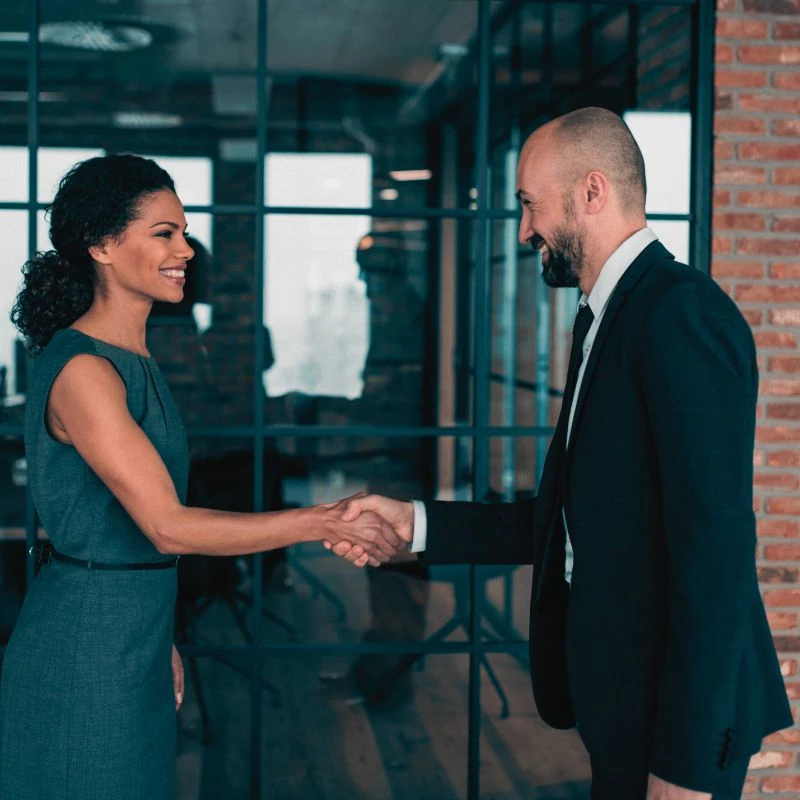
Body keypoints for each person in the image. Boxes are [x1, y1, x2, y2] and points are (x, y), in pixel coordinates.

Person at [330, 107, 793, 800]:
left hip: (673, 722)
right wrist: (417, 525)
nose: (524, 230)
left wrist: (687, 764)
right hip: (620, 694)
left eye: (529, 204)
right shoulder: (603, 316)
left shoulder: (680, 314)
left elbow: (715, 553)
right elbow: (575, 519)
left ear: (592, 191)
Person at [0, 153, 401, 800]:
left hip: (132, 632)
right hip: (84, 648)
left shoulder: (132, 358)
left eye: (183, 232)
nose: (185, 249)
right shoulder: (85, 371)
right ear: (102, 246)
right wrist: (320, 520)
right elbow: (166, 526)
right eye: (164, 233)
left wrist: (159, 634)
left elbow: (131, 543)